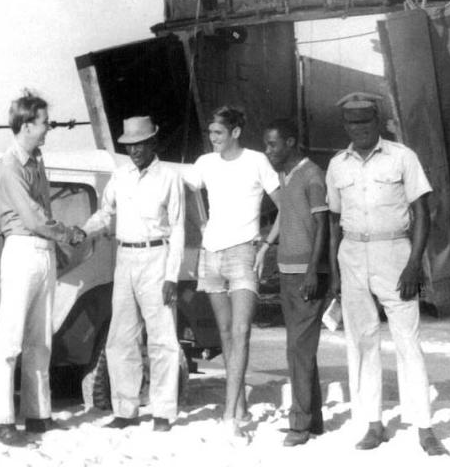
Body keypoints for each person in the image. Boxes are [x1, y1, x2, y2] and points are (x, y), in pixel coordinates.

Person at [325, 92, 449, 456]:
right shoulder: (337, 165)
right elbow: (334, 220)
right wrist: (333, 270)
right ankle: (373, 423)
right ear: (345, 125)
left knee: (407, 342)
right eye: (352, 122)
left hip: (394, 253)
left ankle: (424, 427)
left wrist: (414, 263)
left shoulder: (402, 157)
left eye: (365, 121)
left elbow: (423, 212)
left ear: (377, 122)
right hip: (351, 255)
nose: (358, 128)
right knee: (361, 343)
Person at [0, 91, 85, 446]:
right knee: (9, 338)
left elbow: (43, 213)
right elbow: (33, 217)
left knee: (40, 338)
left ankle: (38, 415)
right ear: (26, 125)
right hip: (22, 250)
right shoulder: (9, 165)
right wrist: (68, 234)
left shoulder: (36, 161)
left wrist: (56, 247)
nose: (48, 130)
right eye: (44, 123)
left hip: (41, 251)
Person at [81, 116, 185, 432]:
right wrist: (81, 231)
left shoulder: (170, 176)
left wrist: (172, 276)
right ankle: (125, 410)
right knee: (120, 337)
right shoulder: (120, 176)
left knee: (162, 337)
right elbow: (105, 213)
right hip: (125, 257)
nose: (135, 150)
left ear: (153, 142)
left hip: (157, 255)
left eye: (140, 144)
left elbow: (179, 229)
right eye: (129, 145)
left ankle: (163, 412)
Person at [183, 106, 279, 437]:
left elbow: (285, 204)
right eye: (210, 133)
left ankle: (230, 418)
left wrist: (266, 244)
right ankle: (238, 404)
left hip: (243, 253)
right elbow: (187, 190)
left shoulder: (256, 161)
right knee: (224, 333)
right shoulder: (205, 163)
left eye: (218, 133)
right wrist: (201, 222)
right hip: (211, 254)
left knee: (241, 332)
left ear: (236, 132)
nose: (213, 139)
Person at [263, 118, 328, 447]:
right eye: (266, 145)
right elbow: (286, 217)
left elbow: (322, 225)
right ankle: (313, 419)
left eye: (273, 144)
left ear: (290, 143)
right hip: (287, 273)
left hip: (306, 274)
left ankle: (299, 425)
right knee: (301, 348)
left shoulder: (312, 175)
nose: (268, 151)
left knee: (298, 349)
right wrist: (266, 248)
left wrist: (313, 271)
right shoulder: (283, 176)